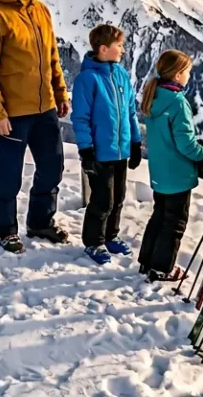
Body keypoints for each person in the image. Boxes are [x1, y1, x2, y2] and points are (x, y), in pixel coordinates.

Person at [0, 0, 71, 254]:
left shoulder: (40, 10)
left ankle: (40, 222)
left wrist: (60, 92)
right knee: (9, 174)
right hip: (13, 115)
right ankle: (5, 230)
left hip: (45, 110)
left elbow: (51, 56)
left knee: (52, 168)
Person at [71, 24, 142, 265]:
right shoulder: (87, 80)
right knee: (102, 199)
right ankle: (94, 241)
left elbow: (130, 112)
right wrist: (86, 150)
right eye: (119, 46)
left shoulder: (121, 75)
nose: (123, 50)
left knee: (119, 196)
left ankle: (111, 235)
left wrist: (135, 143)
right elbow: (80, 118)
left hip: (120, 150)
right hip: (100, 152)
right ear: (103, 49)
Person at [137, 49, 203, 281]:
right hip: (177, 175)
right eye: (187, 71)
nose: (188, 76)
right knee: (175, 224)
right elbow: (186, 142)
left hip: (159, 173)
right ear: (178, 75)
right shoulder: (177, 102)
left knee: (159, 216)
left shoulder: (154, 96)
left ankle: (147, 261)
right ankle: (161, 269)